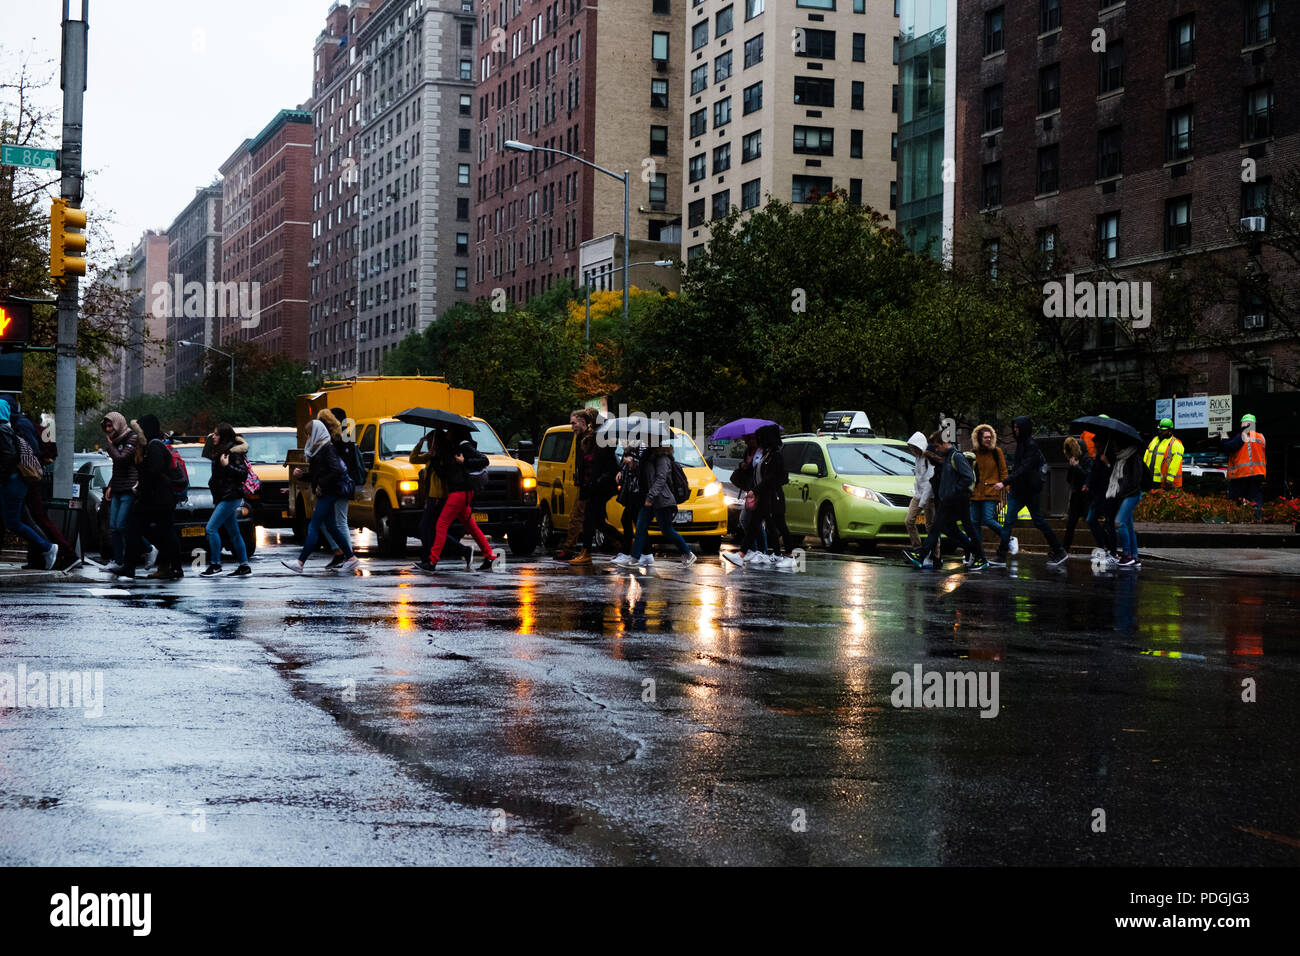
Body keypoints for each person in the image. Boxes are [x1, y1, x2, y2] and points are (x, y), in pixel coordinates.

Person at [1, 396, 73, 569]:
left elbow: (15, 455)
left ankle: (51, 550)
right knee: (23, 519)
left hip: (19, 480)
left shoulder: (12, 427)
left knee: (21, 520)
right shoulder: (13, 425)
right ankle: (46, 553)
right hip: (19, 480)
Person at [283, 420, 359, 574]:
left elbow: (336, 471)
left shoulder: (327, 449)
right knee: (331, 526)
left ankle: (300, 562)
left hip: (330, 491)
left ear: (316, 434)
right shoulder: (320, 450)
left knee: (314, 525)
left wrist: (321, 485)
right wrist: (303, 476)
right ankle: (351, 558)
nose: (307, 439)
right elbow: (318, 474)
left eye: (309, 435)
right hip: (330, 490)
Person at [992, 415, 1068, 567]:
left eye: (1017, 428)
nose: (1015, 430)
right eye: (1014, 428)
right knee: (1008, 522)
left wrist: (1004, 482)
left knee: (1038, 521)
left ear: (1024, 428)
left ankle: (1059, 551)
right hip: (1018, 491)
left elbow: (1023, 468)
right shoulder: (1021, 445)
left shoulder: (1031, 446)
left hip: (1030, 492)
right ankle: (1001, 555)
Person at [905, 430, 987, 571]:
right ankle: (921, 556)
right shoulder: (946, 457)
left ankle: (982, 558)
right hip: (948, 501)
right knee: (938, 529)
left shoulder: (956, 456)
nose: (936, 450)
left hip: (958, 500)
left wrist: (953, 491)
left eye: (937, 446)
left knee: (967, 529)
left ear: (945, 443)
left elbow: (968, 477)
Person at [422, 437, 499, 573]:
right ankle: (490, 556)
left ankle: (432, 562)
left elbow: (484, 460)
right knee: (472, 527)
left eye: (433, 442)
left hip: (459, 493)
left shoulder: (463, 446)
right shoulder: (447, 452)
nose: (431, 445)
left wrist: (465, 461)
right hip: (461, 493)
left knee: (441, 525)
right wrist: (434, 460)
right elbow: (445, 475)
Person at [622, 442, 695, 569]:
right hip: (650, 500)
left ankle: (688, 553)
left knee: (667, 531)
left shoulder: (662, 458)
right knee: (640, 527)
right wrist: (633, 465)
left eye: (649, 438)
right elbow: (644, 476)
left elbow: (660, 479)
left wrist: (651, 496)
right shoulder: (647, 455)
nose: (646, 440)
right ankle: (635, 558)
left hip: (662, 500)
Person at [99, 413, 155, 576]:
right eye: (106, 427)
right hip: (117, 488)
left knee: (123, 526)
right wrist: (110, 485)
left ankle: (149, 549)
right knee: (114, 527)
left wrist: (110, 446)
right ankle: (118, 561)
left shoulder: (131, 438)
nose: (109, 430)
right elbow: (117, 468)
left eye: (111, 426)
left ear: (119, 424)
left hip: (129, 489)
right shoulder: (117, 442)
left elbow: (122, 460)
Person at [411, 428, 472, 571]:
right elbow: (413, 459)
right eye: (428, 442)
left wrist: (435, 459)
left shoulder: (443, 457)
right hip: (431, 498)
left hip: (439, 498)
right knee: (431, 529)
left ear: (436, 442)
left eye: (430, 441)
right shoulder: (431, 455)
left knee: (427, 528)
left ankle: (427, 559)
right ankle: (462, 550)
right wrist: (419, 445)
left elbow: (445, 476)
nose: (428, 445)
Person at [133, 414, 184, 580]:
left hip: (160, 499)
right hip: (156, 499)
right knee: (163, 533)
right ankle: (167, 567)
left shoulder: (154, 446)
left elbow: (155, 472)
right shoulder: (150, 446)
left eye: (139, 429)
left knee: (165, 533)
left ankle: (173, 567)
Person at [201, 423, 252, 576]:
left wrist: (226, 466)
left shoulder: (232, 452)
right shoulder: (220, 450)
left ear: (223, 436)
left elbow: (243, 474)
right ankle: (244, 566)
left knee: (211, 529)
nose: (213, 436)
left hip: (230, 496)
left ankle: (215, 564)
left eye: (216, 434)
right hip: (223, 496)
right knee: (234, 532)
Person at [569, 408, 618, 565]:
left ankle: (587, 553)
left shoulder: (602, 439)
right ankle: (624, 542)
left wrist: (596, 483)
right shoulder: (590, 438)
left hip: (599, 487)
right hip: (591, 486)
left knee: (589, 520)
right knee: (598, 522)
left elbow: (606, 465)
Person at [553, 409, 593, 561]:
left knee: (577, 517)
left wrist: (585, 481)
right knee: (591, 518)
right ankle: (620, 544)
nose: (572, 427)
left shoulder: (588, 438)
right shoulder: (580, 437)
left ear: (583, 422)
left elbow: (589, 463)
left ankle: (569, 549)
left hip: (587, 484)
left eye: (573, 423)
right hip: (584, 482)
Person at [969, 423, 1012, 562]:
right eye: (986, 437)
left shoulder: (996, 451)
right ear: (979, 438)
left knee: (987, 519)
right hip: (975, 494)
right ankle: (978, 554)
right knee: (974, 523)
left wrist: (1007, 488)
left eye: (990, 437)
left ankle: (1009, 538)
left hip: (991, 491)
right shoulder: (973, 452)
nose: (988, 439)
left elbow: (1003, 471)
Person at [1106, 439, 1145, 569]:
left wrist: (1124, 492)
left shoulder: (1133, 457)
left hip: (1131, 494)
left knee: (1119, 522)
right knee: (1128, 526)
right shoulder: (1121, 458)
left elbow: (1134, 480)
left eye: (1116, 444)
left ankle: (1127, 555)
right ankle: (1134, 556)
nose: (1114, 447)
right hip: (1126, 494)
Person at [1223, 413, 1266, 521]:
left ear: (1246, 424)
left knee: (1236, 500)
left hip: (1242, 474)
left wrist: (1224, 437)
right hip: (1257, 474)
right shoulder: (1261, 437)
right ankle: (1257, 519)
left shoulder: (1243, 435)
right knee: (1255, 500)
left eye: (1242, 424)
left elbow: (1229, 447)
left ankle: (1236, 520)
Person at [612, 443, 646, 564]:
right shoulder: (628, 449)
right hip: (631, 492)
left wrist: (631, 461)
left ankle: (628, 553)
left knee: (630, 521)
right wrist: (621, 470)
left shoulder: (641, 447)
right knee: (634, 522)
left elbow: (641, 467)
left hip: (638, 494)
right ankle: (646, 553)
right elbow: (624, 465)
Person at [1061, 436, 1093, 555]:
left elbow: (1087, 476)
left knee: (1091, 522)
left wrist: (1077, 466)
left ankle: (1105, 546)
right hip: (1076, 497)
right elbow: (1069, 479)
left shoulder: (1087, 460)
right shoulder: (1075, 460)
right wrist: (1072, 466)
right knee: (1070, 525)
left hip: (1085, 498)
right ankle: (1064, 549)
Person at [1143, 418, 1184, 490]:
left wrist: (1170, 479)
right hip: (1148, 478)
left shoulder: (1176, 444)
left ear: (1170, 431)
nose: (1160, 431)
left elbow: (1175, 463)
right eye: (1159, 429)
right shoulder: (1155, 439)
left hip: (1162, 482)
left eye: (1163, 430)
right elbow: (1146, 455)